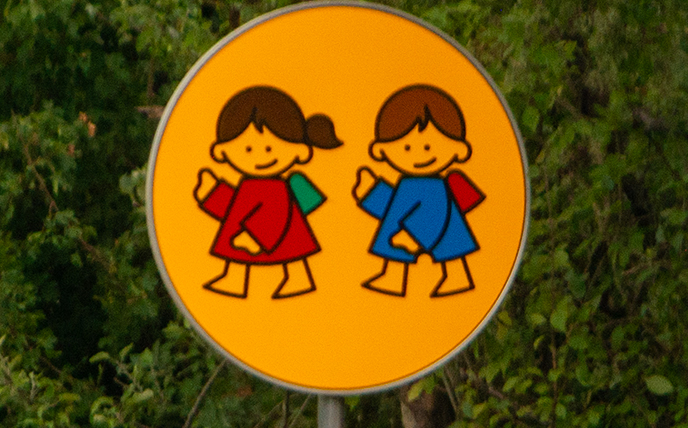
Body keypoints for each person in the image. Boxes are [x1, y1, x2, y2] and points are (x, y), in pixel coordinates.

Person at [192, 85, 341, 300]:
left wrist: (256, 236)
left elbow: (276, 213)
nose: (260, 156)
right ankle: (233, 280)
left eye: (270, 148)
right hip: (247, 231)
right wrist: (212, 193)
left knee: (292, 255)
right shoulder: (248, 186)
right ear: (223, 150)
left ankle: (299, 280)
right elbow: (235, 208)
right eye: (248, 149)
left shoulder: (277, 188)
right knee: (241, 255)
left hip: (276, 232)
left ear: (298, 150)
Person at [350, 84, 486, 297]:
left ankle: (458, 277)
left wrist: (413, 235)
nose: (419, 155)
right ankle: (392, 277)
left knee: (450, 249)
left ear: (457, 148)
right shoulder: (406, 184)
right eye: (406, 147)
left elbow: (435, 213)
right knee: (393, 244)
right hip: (405, 229)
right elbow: (393, 207)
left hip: (441, 229)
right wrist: (371, 192)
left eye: (428, 147)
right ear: (382, 149)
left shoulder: (436, 187)